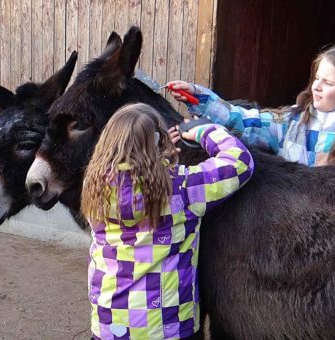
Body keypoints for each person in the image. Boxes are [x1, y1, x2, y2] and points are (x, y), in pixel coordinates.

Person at [81, 103, 254, 339]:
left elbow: (134, 184)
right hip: (169, 327)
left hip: (112, 326)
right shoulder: (180, 187)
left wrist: (158, 154)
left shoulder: (94, 187)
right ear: (157, 143)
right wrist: (205, 131)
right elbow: (239, 163)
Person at [167, 43, 335, 166]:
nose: (316, 87)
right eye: (317, 78)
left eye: (328, 83)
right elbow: (245, 121)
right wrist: (201, 99)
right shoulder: (292, 121)